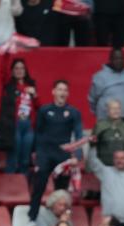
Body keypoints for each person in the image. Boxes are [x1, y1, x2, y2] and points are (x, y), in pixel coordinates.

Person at [31, 80, 83, 218]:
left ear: (68, 93)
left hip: (63, 156)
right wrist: (37, 154)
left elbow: (78, 135)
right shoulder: (44, 110)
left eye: (65, 90)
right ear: (53, 91)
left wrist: (77, 155)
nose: (62, 92)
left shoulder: (73, 112)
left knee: (61, 192)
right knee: (39, 187)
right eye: (59, 89)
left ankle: (61, 221)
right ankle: (32, 218)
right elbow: (38, 133)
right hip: (46, 154)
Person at [0, 59, 37, 175]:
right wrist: (6, 54)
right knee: (13, 159)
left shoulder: (31, 85)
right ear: (12, 71)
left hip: (28, 126)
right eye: (16, 68)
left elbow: (38, 107)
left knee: (25, 160)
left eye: (22, 68)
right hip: (15, 126)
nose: (19, 71)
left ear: (26, 70)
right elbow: (2, 72)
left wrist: (35, 95)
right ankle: (9, 189)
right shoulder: (9, 86)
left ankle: (24, 188)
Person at [88, 48, 124, 122]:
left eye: (121, 58)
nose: (119, 61)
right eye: (116, 58)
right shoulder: (99, 76)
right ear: (110, 59)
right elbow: (92, 99)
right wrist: (99, 113)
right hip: (106, 118)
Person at [93, 99, 124, 168]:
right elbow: (93, 149)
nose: (116, 111)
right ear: (107, 111)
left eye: (118, 108)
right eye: (113, 108)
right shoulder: (100, 127)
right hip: (105, 168)